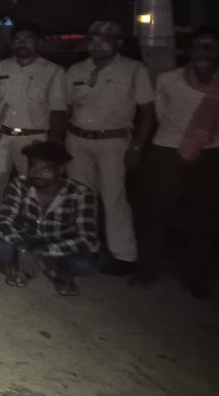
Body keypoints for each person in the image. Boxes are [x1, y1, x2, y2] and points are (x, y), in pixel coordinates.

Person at [132, 27, 219, 298]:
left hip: (210, 154)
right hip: (166, 151)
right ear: (189, 50)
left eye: (210, 46)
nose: (204, 52)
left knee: (204, 218)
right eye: (199, 46)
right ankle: (146, 271)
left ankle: (196, 278)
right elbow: (161, 114)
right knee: (155, 213)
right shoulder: (169, 80)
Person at [64, 21, 153, 275]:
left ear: (119, 43)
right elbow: (67, 106)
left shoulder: (134, 70)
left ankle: (124, 255)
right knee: (81, 196)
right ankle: (84, 246)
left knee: (114, 197)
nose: (98, 44)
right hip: (78, 139)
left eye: (105, 39)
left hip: (113, 141)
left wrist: (137, 147)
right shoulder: (76, 70)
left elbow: (148, 113)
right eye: (93, 39)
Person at [0, 22, 67, 245]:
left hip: (35, 139)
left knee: (35, 189)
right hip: (1, 136)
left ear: (38, 42)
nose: (22, 43)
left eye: (28, 39)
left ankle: (33, 237)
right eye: (17, 39)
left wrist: (53, 146)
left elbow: (59, 110)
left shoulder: (53, 71)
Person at [0, 141, 99, 296]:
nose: (37, 174)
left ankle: (46, 269)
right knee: (1, 249)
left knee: (86, 265)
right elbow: (1, 220)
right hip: (26, 238)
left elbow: (88, 238)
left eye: (46, 169)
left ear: (60, 170)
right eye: (33, 168)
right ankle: (28, 269)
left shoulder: (80, 193)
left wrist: (41, 252)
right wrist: (23, 249)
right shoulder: (20, 184)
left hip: (59, 241)